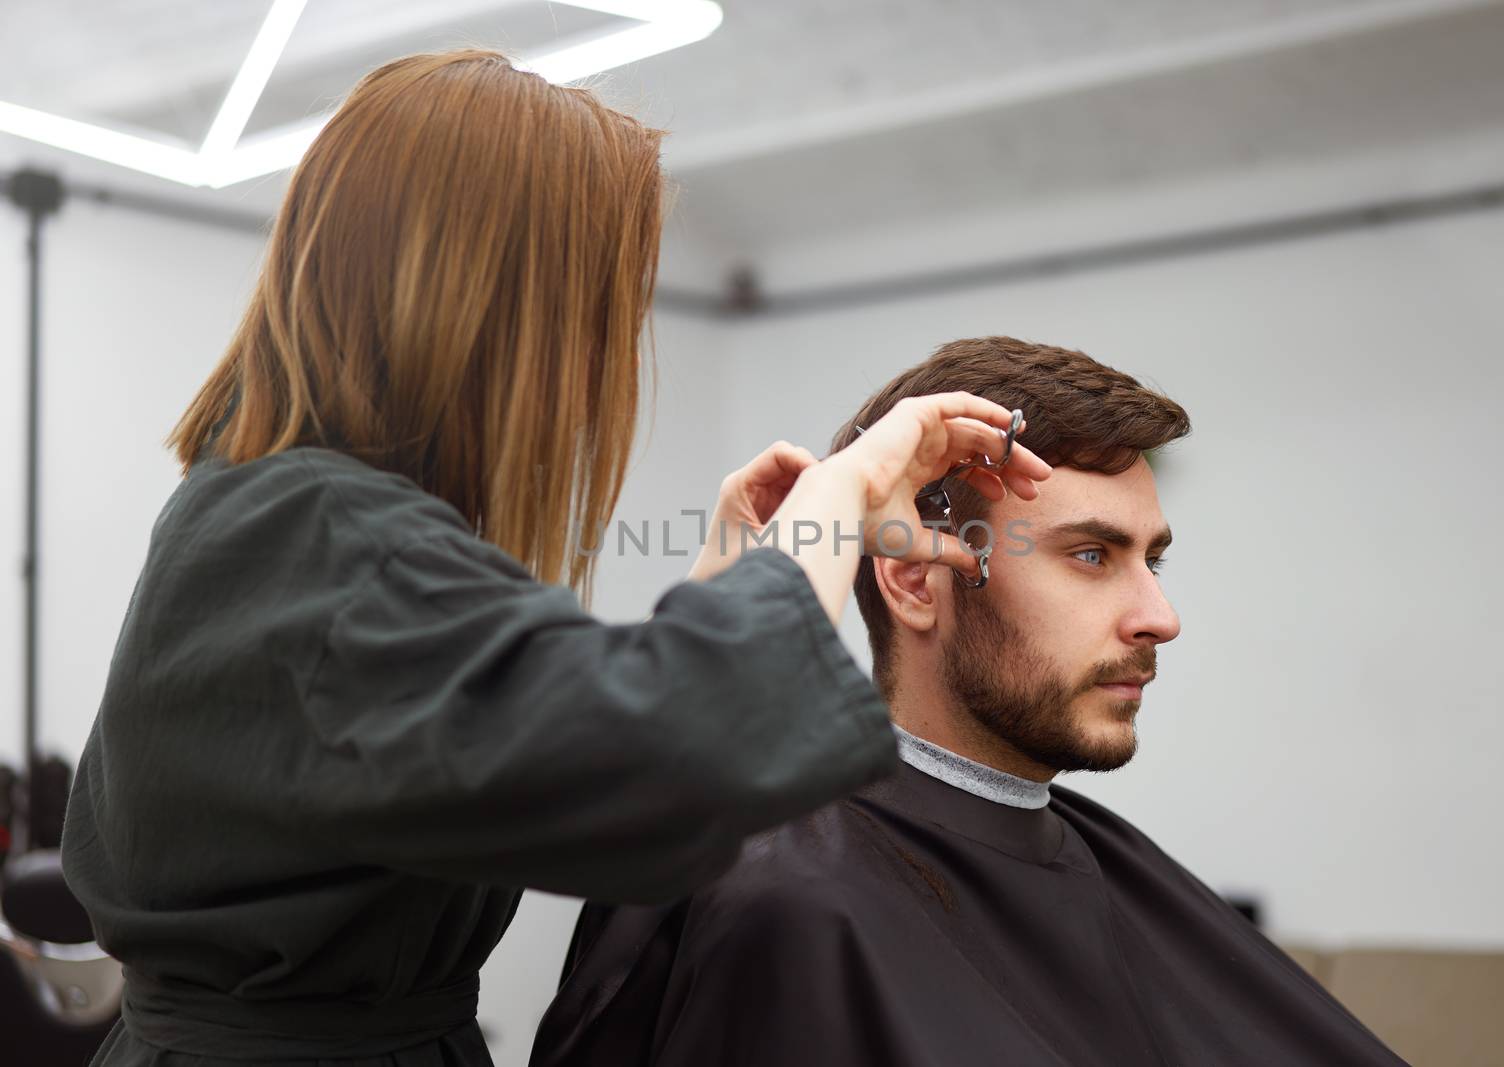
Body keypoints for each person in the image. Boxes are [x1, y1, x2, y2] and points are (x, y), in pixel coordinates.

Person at [58, 54, 1051, 1067]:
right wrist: (843, 495)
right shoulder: (313, 533)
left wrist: (733, 567)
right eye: (606, 307)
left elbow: (576, 754)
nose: (610, 354)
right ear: (504, 306)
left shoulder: (268, 511)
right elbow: (678, 754)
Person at [530, 336, 1408, 1067]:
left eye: (1154, 560)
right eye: (1092, 556)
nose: (1160, 617)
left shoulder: (1100, 863)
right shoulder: (791, 900)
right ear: (916, 579)